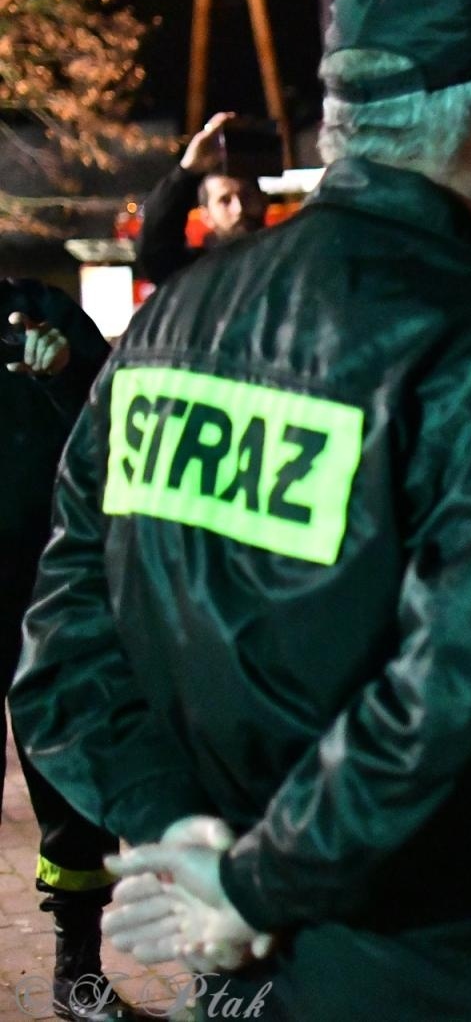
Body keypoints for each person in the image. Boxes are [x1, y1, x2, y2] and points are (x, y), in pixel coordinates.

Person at [11, 0, 471, 1018]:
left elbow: (65, 636)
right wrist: (251, 880)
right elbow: (458, 693)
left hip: (234, 946)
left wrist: (180, 833)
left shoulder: (169, 327)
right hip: (441, 952)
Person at [2, 282, 143, 1022]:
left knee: (72, 788)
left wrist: (65, 376)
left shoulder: (45, 313)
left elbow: (115, 433)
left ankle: (77, 973)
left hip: (46, 594)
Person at [134, 111, 270, 286]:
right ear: (207, 216)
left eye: (247, 195)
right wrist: (189, 169)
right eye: (225, 201)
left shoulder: (288, 257)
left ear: (264, 200)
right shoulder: (195, 273)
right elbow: (155, 249)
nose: (239, 209)